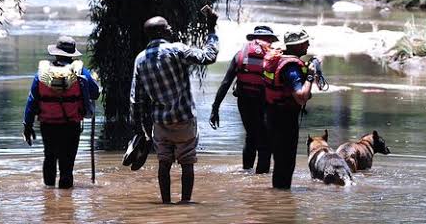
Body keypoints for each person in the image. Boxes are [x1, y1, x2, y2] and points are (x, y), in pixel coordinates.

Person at [130, 11, 219, 204]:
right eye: (168, 26)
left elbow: (136, 99)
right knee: (187, 161)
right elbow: (208, 57)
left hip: (160, 122)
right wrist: (211, 29)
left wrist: (140, 129)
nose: (171, 29)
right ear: (162, 32)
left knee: (164, 162)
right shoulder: (176, 50)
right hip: (184, 118)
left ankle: (166, 204)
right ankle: (186, 204)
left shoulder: (140, 59)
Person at [22, 36, 100, 189]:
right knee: (67, 163)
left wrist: (27, 125)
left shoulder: (42, 74)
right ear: (72, 55)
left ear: (56, 54)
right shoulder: (80, 72)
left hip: (48, 124)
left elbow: (32, 101)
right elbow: (95, 93)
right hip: (71, 125)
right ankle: (66, 200)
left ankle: (48, 195)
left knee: (49, 157)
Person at [209, 26, 278, 173]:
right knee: (265, 144)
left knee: (251, 136)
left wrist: (215, 108)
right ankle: (260, 183)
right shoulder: (274, 57)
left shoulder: (240, 54)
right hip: (264, 102)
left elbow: (226, 83)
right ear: (270, 39)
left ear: (253, 39)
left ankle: (247, 172)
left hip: (245, 102)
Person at [262, 27, 316, 189]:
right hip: (285, 119)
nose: (308, 45)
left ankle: (277, 197)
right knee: (286, 162)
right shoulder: (292, 67)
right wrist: (311, 75)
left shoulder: (279, 59)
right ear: (298, 45)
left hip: (272, 115)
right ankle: (281, 201)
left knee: (280, 161)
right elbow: (300, 98)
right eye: (305, 42)